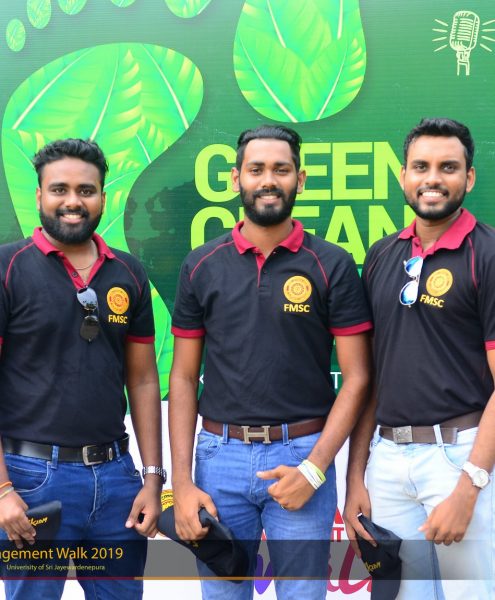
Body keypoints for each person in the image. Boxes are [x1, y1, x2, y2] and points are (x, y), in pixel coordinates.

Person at [169, 125, 372, 599]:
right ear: (236, 178)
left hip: (302, 455)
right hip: (219, 460)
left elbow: (358, 377)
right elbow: (182, 377)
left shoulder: (332, 263)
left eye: (281, 170)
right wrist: (181, 481)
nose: (268, 180)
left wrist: (314, 469)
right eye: (256, 169)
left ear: (300, 180)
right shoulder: (201, 264)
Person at [0, 138, 164, 599]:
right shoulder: (7, 268)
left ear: (103, 198)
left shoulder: (128, 273)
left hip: (117, 481)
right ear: (39, 196)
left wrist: (153, 477)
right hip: (31, 481)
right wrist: (3, 491)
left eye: (86, 190)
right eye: (60, 189)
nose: (73, 201)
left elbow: (143, 380)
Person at [344, 118, 495, 599]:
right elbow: (371, 378)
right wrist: (356, 477)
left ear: (469, 177)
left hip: (460, 458)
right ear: (403, 176)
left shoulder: (488, 254)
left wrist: (468, 487)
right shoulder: (381, 255)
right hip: (387, 461)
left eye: (448, 167)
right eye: (421, 166)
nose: (433, 178)